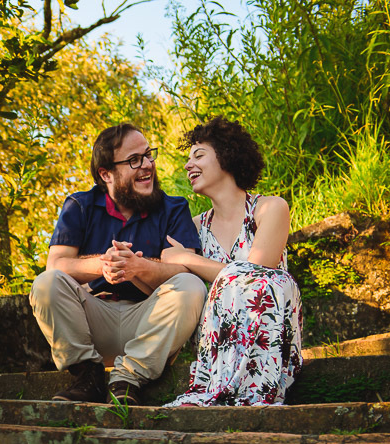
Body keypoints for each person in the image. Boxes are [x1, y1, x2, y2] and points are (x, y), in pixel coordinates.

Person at [30, 123, 207, 406]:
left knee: (191, 285)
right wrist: (104, 264)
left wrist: (138, 266)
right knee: (46, 282)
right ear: (106, 173)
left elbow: (185, 268)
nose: (147, 165)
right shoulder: (80, 205)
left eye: (149, 155)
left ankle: (128, 379)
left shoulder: (174, 208)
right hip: (94, 320)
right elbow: (57, 263)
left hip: (149, 320)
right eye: (134, 160)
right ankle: (88, 375)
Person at [159, 116, 303, 407]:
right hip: (219, 340)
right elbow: (165, 264)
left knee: (266, 280)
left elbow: (255, 272)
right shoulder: (194, 227)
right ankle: (217, 386)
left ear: (226, 156)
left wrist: (188, 259)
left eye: (198, 155)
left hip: (268, 333)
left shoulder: (270, 208)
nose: (188, 165)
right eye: (188, 158)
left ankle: (259, 391)